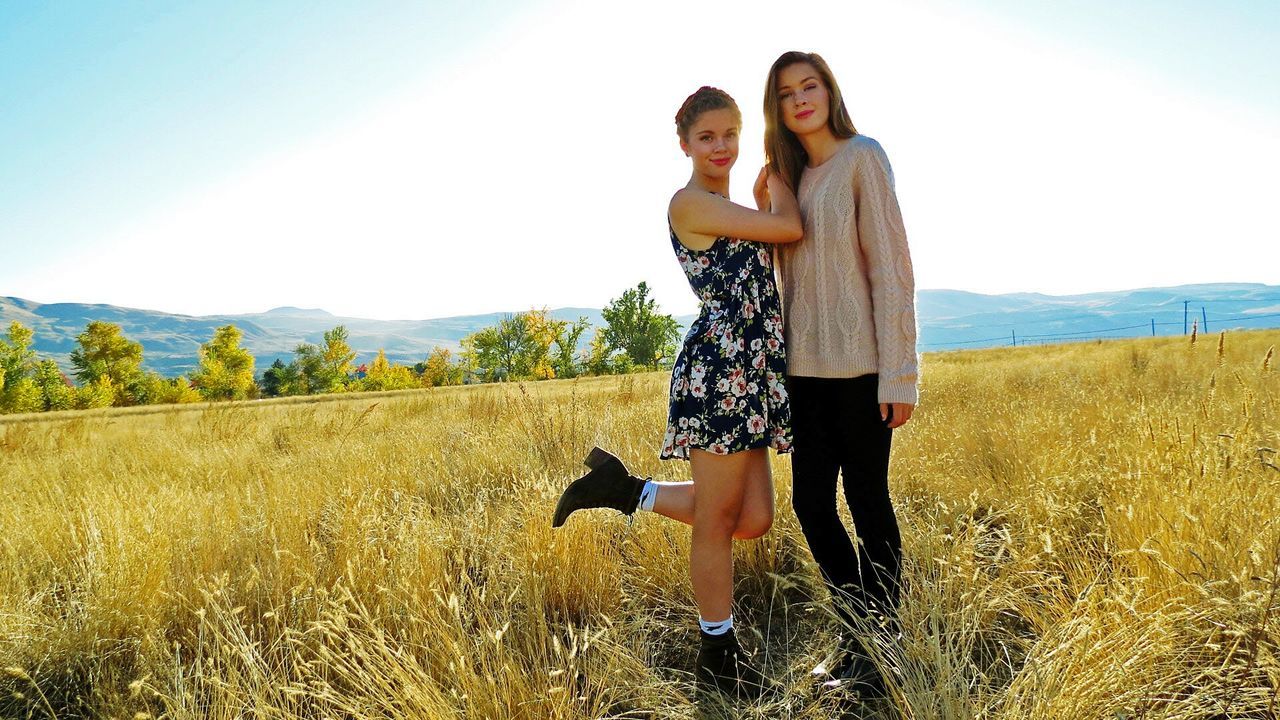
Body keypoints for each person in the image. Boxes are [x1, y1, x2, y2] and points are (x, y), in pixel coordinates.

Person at [551, 86, 802, 698]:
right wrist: (781, 177)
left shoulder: (732, 204)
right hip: (719, 373)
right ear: (685, 144)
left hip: (754, 372)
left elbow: (772, 238)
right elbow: (791, 228)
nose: (721, 147)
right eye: (708, 136)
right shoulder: (689, 203)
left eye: (731, 135)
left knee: (756, 518)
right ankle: (718, 655)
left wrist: (762, 193)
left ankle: (623, 488)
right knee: (717, 521)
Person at [762, 50, 919, 694]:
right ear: (776, 107)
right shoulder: (786, 177)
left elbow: (891, 268)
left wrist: (899, 373)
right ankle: (862, 634)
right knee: (810, 504)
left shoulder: (862, 158)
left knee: (867, 500)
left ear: (830, 90)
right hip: (803, 372)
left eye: (811, 85)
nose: (802, 99)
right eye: (788, 92)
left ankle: (881, 649)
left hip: (860, 372)